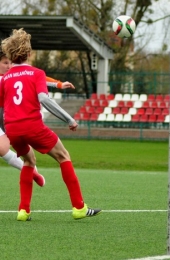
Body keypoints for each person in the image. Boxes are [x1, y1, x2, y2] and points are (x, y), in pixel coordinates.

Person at [0, 28, 101, 221]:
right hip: (32, 126)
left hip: (12, 130)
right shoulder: (37, 73)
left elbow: (2, 104)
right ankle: (79, 207)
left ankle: (23, 211)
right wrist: (69, 119)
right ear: (29, 53)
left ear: (11, 55)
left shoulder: (5, 79)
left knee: (29, 161)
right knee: (63, 156)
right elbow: (44, 100)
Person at [0, 48, 75, 187]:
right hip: (5, 119)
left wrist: (58, 84)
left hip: (11, 119)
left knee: (4, 148)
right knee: (2, 149)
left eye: (10, 63)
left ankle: (31, 169)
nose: (9, 66)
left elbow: (37, 77)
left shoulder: (10, 77)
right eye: (5, 63)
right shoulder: (5, 78)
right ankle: (32, 172)